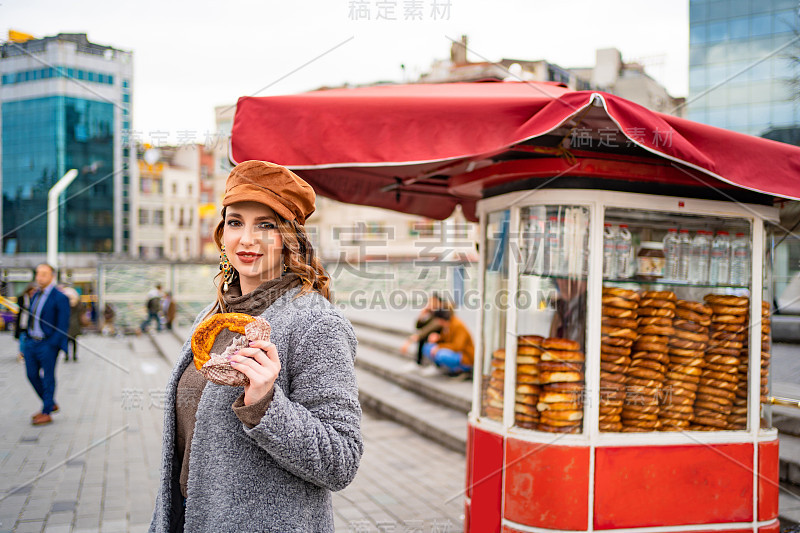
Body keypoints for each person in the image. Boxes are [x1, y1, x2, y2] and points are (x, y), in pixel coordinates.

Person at [149, 160, 362, 532]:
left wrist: (265, 404)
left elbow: (340, 461)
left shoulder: (315, 323)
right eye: (235, 222)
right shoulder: (211, 317)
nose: (246, 239)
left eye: (266, 224)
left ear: (289, 237)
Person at [22, 264, 70, 426]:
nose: (39, 277)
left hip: (47, 344)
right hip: (31, 343)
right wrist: (27, 339)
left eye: (44, 274)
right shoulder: (35, 295)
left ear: (52, 276)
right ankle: (49, 402)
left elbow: (63, 325)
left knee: (48, 376)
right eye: (37, 273)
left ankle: (46, 411)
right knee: (31, 374)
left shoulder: (60, 297)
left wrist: (52, 344)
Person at [400, 292, 451, 365]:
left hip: (444, 338)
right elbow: (419, 327)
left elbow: (432, 327)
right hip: (434, 336)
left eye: (432, 302)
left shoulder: (443, 312)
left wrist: (410, 340)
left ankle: (433, 365)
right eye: (429, 302)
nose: (430, 304)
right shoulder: (433, 312)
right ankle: (418, 362)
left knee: (426, 337)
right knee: (423, 337)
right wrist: (422, 315)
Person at [421, 308, 475, 377]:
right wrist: (438, 338)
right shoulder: (446, 325)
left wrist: (439, 347)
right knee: (428, 347)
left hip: (465, 356)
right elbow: (447, 340)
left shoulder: (457, 325)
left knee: (440, 354)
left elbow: (458, 346)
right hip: (454, 351)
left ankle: (459, 369)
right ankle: (442, 368)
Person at [15, 284, 36, 360]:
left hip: (31, 323)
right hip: (23, 322)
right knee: (22, 338)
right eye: (32, 291)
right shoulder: (22, 298)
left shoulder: (36, 298)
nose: (33, 292)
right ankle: (22, 354)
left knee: (29, 339)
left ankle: (28, 353)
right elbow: (19, 309)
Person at [63, 287, 84, 362]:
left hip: (68, 325)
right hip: (75, 325)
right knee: (74, 342)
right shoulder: (78, 305)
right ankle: (74, 356)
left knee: (67, 342)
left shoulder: (65, 305)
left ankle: (67, 356)